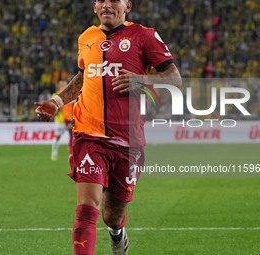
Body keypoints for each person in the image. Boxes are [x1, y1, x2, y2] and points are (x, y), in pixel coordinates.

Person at [35, 0, 181, 254]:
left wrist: (141, 79)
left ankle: (117, 233)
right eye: (101, 0)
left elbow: (174, 77)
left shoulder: (144, 36)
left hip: (128, 141)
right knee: (86, 209)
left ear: (127, 5)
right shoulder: (87, 37)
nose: (106, 5)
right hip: (89, 135)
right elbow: (83, 76)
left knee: (112, 214)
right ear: (94, 7)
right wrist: (57, 101)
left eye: (113, 0)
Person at [51, 81, 74, 160]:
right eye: (61, 84)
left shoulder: (70, 94)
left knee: (72, 135)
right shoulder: (55, 95)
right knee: (58, 136)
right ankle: (54, 151)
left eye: (64, 84)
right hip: (60, 119)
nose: (63, 85)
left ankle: (71, 154)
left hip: (69, 118)